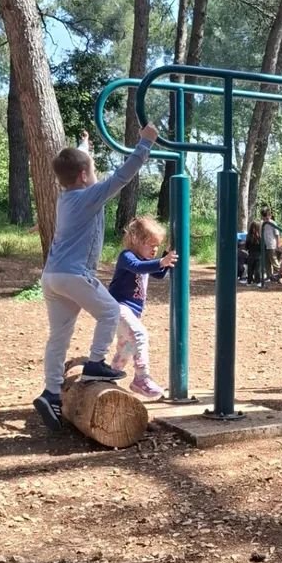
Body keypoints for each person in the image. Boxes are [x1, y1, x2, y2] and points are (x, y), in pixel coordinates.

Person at [33, 125, 158, 430]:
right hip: (75, 274)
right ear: (83, 177)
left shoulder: (65, 196)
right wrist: (145, 143)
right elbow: (121, 177)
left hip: (51, 276)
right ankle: (96, 363)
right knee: (111, 311)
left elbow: (77, 165)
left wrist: (84, 146)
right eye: (91, 170)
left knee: (59, 336)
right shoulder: (89, 196)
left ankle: (51, 393)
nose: (95, 174)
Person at [109, 216, 177, 400]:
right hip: (118, 307)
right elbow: (137, 267)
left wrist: (166, 256)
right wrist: (162, 261)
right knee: (139, 335)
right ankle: (141, 378)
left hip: (131, 312)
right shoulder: (127, 256)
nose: (154, 250)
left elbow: (158, 274)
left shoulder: (146, 259)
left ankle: (111, 374)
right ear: (136, 240)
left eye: (157, 246)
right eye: (150, 245)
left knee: (127, 346)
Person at [261, 208, 281, 280]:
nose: (266, 218)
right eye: (264, 216)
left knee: (274, 260)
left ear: (270, 215)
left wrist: (278, 245)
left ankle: (281, 273)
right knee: (266, 262)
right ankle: (269, 276)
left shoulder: (273, 223)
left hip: (272, 245)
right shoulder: (262, 223)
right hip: (265, 245)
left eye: (268, 216)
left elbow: (277, 234)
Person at [245, 220, 263, 285]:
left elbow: (246, 246)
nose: (254, 229)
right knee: (251, 269)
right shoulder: (250, 236)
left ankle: (256, 281)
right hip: (252, 254)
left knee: (256, 269)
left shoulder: (259, 237)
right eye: (253, 228)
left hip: (256, 255)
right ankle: (250, 281)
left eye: (255, 228)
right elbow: (247, 246)